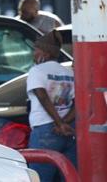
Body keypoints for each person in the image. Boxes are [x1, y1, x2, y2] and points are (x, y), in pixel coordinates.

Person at [26, 30, 77, 182]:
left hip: (45, 130)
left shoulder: (36, 71)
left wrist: (59, 123)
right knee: (70, 177)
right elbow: (77, 103)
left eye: (36, 50)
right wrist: (65, 123)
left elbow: (42, 95)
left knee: (40, 178)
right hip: (69, 129)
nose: (34, 54)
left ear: (46, 53)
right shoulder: (69, 72)